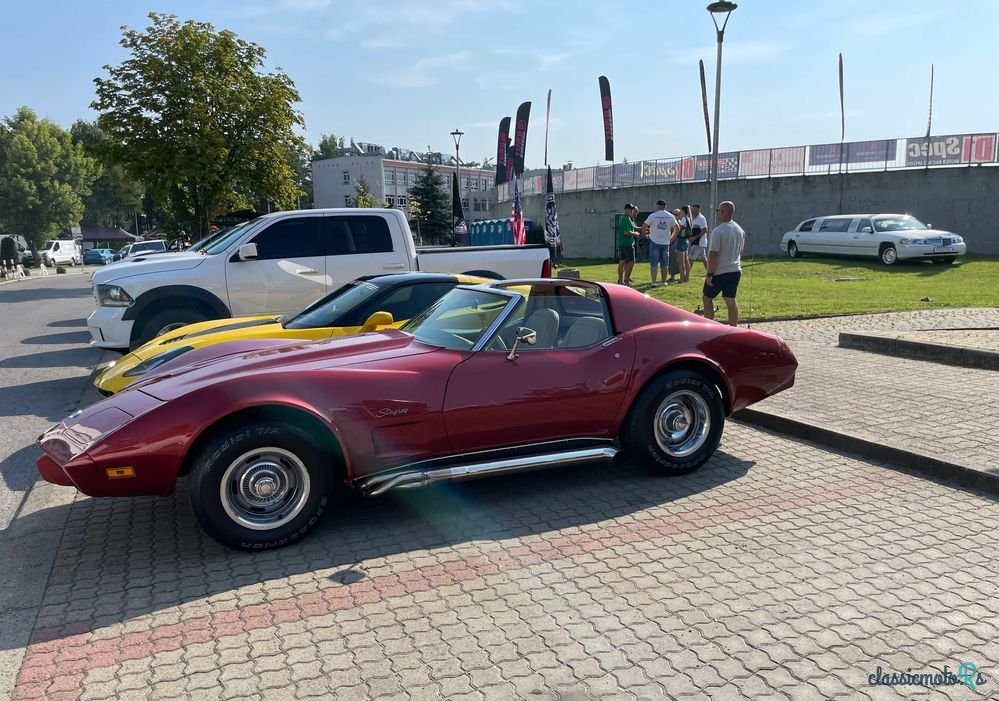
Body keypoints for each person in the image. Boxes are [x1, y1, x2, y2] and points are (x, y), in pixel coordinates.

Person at [702, 200, 745, 326]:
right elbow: (741, 250)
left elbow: (713, 254)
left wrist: (710, 274)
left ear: (723, 212)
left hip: (720, 271)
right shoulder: (739, 230)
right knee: (730, 300)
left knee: (707, 298)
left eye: (718, 211)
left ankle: (709, 326)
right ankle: (733, 327)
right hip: (735, 270)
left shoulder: (718, 231)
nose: (717, 213)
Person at [643, 200, 678, 287]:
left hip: (654, 241)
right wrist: (672, 238)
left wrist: (645, 235)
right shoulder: (670, 216)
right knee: (664, 263)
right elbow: (677, 228)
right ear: (665, 206)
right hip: (666, 242)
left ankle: (654, 282)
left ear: (657, 206)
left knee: (654, 263)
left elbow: (644, 225)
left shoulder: (653, 216)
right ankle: (663, 281)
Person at [616, 203, 641, 286]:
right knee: (631, 262)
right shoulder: (625, 219)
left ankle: (621, 281)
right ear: (626, 209)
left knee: (622, 262)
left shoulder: (627, 218)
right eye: (631, 209)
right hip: (628, 244)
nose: (632, 211)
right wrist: (635, 234)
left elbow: (632, 228)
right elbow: (626, 232)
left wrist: (643, 228)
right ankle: (626, 281)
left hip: (623, 243)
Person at [688, 203, 710, 270]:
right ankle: (710, 272)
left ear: (699, 210)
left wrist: (694, 237)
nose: (693, 211)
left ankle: (686, 275)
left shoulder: (701, 218)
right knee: (703, 258)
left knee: (690, 258)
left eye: (695, 210)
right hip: (695, 242)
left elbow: (705, 230)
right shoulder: (691, 218)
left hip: (699, 242)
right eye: (693, 210)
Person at [675, 205, 692, 283]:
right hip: (686, 240)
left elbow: (679, 229)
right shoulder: (689, 219)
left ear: (684, 212)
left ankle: (681, 278)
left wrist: (677, 221)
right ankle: (687, 277)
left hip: (681, 240)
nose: (680, 214)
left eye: (681, 212)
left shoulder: (683, 219)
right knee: (686, 260)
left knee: (681, 261)